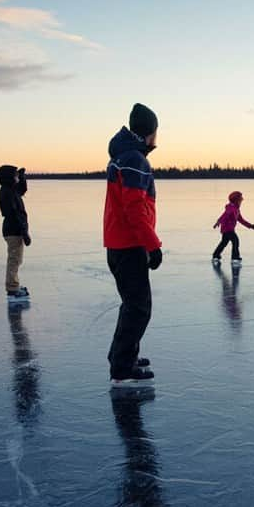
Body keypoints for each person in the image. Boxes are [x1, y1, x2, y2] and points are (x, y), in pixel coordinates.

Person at [104, 103, 163, 388]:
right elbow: (135, 209)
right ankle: (122, 368)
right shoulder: (134, 160)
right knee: (139, 308)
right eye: (156, 131)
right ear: (148, 132)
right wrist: (152, 245)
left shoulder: (122, 156)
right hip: (129, 245)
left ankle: (122, 356)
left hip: (118, 244)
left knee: (132, 305)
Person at [0, 164, 30, 301]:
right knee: (14, 259)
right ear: (9, 178)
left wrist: (22, 178)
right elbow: (14, 214)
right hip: (13, 230)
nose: (17, 177)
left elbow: (22, 190)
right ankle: (12, 289)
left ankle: (14, 285)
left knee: (17, 259)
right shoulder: (8, 192)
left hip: (14, 230)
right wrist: (25, 233)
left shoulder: (10, 189)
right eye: (16, 175)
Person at [211, 191, 254, 266]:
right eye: (240, 199)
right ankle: (235, 258)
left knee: (224, 242)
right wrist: (218, 221)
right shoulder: (231, 208)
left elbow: (241, 220)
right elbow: (225, 215)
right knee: (235, 241)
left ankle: (216, 255)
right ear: (236, 200)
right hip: (227, 229)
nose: (242, 200)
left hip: (229, 229)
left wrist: (251, 226)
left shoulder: (236, 209)